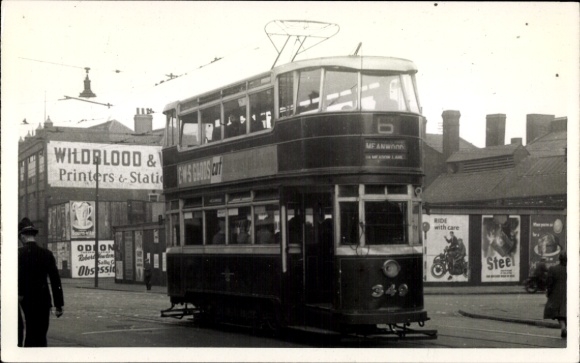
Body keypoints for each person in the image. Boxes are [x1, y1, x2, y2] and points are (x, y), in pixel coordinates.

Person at [18, 217, 64, 347]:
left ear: (22, 236)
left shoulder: (19, 254)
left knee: (30, 333)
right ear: (34, 236)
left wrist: (19, 295)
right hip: (44, 300)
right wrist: (59, 305)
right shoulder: (47, 254)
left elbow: (19, 277)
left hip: (26, 300)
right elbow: (55, 280)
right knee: (41, 334)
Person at [543, 250, 567, 338]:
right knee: (566, 311)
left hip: (556, 294)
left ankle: (563, 327)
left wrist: (548, 293)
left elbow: (549, 283)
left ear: (560, 259)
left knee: (558, 312)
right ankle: (565, 328)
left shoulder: (553, 269)